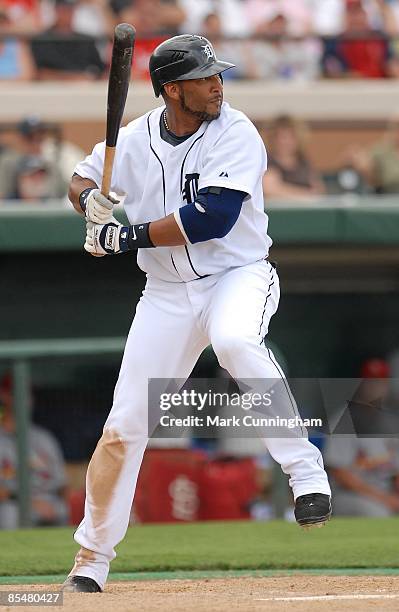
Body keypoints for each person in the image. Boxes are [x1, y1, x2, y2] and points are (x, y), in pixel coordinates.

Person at [61, 34, 331, 594]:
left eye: (217, 73)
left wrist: (122, 237)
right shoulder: (134, 138)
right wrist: (89, 202)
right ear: (170, 89)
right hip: (165, 295)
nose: (217, 84)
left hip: (237, 274)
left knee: (235, 342)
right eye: (204, 77)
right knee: (124, 426)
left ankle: (305, 473)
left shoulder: (236, 131)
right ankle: (92, 558)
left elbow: (212, 218)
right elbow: (81, 177)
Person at [324, 359, 399, 517]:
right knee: (379, 513)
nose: (375, 388)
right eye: (370, 382)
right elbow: (341, 474)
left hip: (384, 493)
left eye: (380, 382)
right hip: (348, 495)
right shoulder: (344, 420)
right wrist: (385, 499)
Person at [0, 374, 69, 529]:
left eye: (28, 394)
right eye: (18, 394)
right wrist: (31, 503)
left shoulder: (44, 438)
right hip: (13, 503)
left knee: (66, 510)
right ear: (4, 396)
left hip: (48, 500)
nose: (25, 400)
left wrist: (67, 504)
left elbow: (63, 485)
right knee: (9, 514)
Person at [30, 0, 105, 81]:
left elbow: (100, 71)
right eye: (63, 9)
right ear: (56, 10)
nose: (67, 13)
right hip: (50, 89)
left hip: (83, 89)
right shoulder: (41, 40)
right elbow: (38, 73)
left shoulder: (86, 40)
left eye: (70, 9)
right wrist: (74, 78)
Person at [262, 115, 325, 201]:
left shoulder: (303, 161)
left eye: (290, 137)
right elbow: (270, 190)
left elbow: (318, 190)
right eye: (280, 137)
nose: (284, 142)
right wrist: (306, 196)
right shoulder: (268, 161)